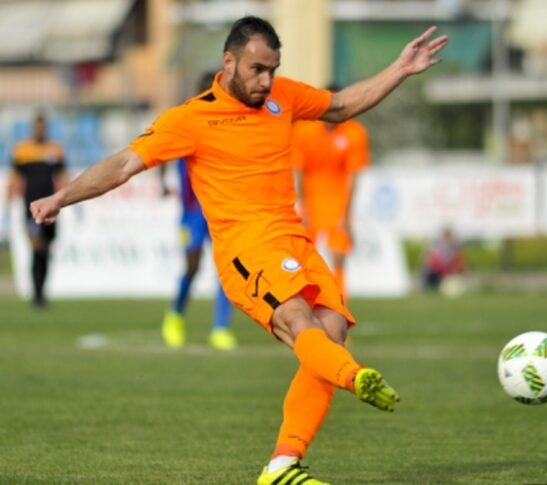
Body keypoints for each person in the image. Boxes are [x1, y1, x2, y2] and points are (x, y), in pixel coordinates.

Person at [30, 16, 447, 484]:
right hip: (245, 249)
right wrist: (61, 197)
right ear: (228, 62)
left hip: (294, 239)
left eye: (272, 69)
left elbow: (342, 104)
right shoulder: (191, 118)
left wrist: (400, 69)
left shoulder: (283, 96)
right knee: (299, 320)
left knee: (331, 333)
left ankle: (282, 466)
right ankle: (355, 377)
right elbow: (125, 163)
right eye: (257, 69)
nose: (266, 81)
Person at [161, 71, 237, 351]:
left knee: (226, 270)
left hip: (218, 211)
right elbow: (160, 149)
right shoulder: (187, 123)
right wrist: (162, 182)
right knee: (192, 267)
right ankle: (175, 315)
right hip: (192, 214)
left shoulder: (226, 126)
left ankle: (220, 328)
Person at [291, 94, 370, 297]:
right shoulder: (304, 130)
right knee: (304, 255)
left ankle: (339, 302)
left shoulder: (354, 132)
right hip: (310, 198)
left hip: (338, 199)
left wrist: (346, 213)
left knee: (339, 254)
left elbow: (353, 175)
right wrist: (303, 206)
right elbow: (299, 170)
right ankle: (307, 301)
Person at [5, 113, 68, 308]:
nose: (40, 130)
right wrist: (7, 205)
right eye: (37, 127)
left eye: (43, 127)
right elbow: (14, 178)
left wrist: (71, 200)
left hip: (51, 208)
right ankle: (37, 295)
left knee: (46, 249)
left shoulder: (55, 149)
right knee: (36, 247)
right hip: (31, 209)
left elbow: (62, 176)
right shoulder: (23, 150)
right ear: (33, 128)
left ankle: (41, 292)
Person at [422, 226, 465, 291]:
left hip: (450, 272)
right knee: (429, 273)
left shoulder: (455, 247)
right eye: (446, 236)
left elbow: (459, 262)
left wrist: (454, 269)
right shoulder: (436, 246)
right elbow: (431, 261)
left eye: (448, 236)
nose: (447, 238)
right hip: (438, 272)